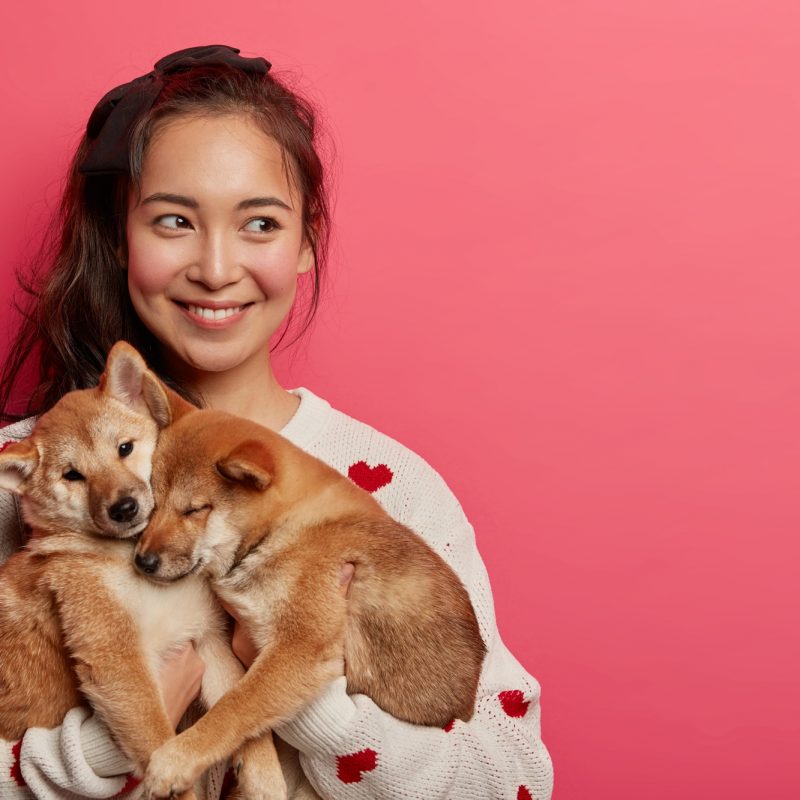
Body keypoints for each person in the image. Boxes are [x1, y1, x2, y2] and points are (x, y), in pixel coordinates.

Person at [0, 46, 554, 800]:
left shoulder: (382, 484)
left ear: (307, 243)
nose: (218, 266)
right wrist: (99, 749)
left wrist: (305, 694)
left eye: (259, 223)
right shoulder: (26, 480)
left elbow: (513, 780)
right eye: (174, 221)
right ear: (121, 237)